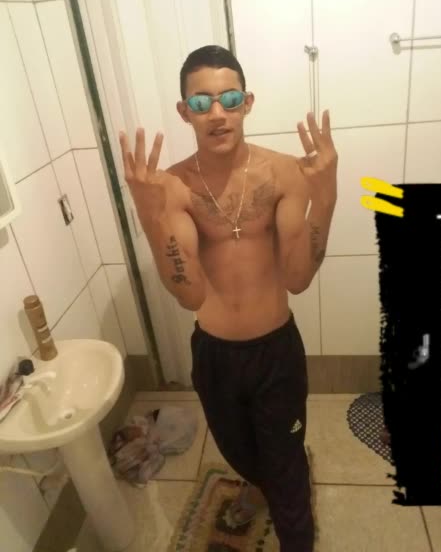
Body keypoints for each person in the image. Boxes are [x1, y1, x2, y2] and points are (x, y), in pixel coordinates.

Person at [119, 45, 338, 551]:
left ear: (247, 103)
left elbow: (298, 278)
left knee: (286, 472)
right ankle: (259, 483)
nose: (217, 113)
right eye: (202, 102)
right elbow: (190, 294)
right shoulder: (173, 187)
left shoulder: (283, 173)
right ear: (185, 112)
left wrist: (325, 196)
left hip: (275, 352)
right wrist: (149, 215)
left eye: (229, 99)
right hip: (215, 354)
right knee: (240, 452)